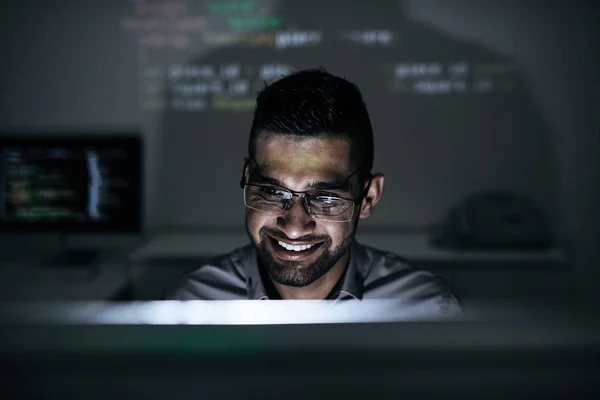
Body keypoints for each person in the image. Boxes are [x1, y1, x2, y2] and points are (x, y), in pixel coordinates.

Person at [167, 69, 461, 315]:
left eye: (325, 198)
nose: (294, 227)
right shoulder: (193, 304)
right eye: (271, 191)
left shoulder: (425, 309)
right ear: (246, 179)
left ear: (369, 196)